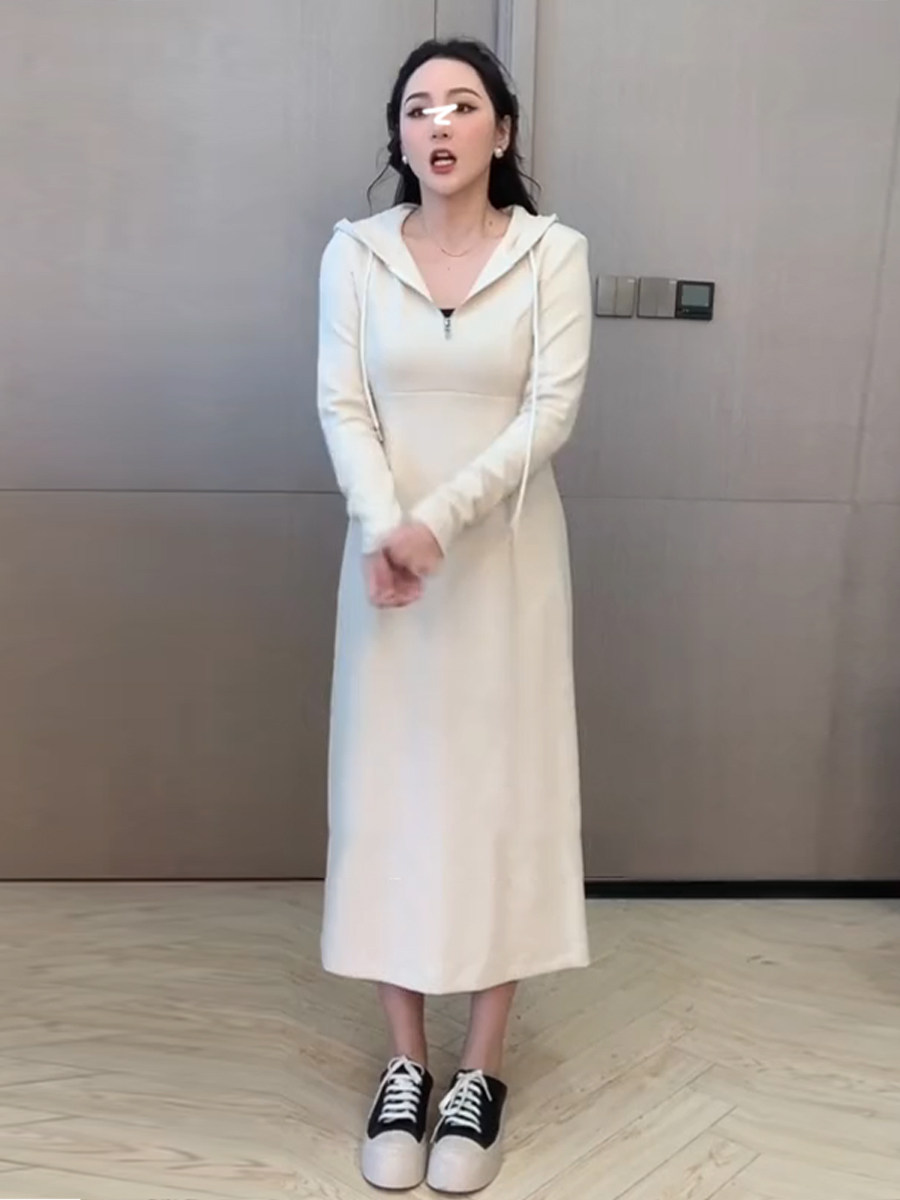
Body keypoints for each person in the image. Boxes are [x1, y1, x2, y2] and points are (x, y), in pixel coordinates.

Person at [315, 35, 593, 1195]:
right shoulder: (354, 252)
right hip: (389, 569)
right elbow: (343, 402)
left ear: (502, 131)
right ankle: (405, 1060)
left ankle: (481, 1066)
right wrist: (389, 527)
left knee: (499, 792)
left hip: (505, 566)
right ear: (399, 133)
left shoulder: (552, 252)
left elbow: (550, 411)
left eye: (463, 104)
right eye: (419, 106)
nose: (439, 123)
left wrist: (440, 520)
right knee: (388, 791)